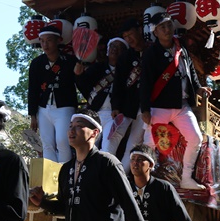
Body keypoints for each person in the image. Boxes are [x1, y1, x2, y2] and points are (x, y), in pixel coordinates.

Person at [139, 12, 212, 189]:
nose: (167, 29)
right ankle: (143, 178)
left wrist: (198, 88)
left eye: (169, 25)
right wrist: (145, 109)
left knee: (195, 138)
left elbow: (191, 72)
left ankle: (186, 178)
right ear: (155, 32)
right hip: (159, 106)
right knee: (149, 143)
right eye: (162, 27)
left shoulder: (181, 48)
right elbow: (145, 82)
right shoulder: (151, 53)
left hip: (182, 105)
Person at [28, 24, 80, 162]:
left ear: (58, 40)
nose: (45, 44)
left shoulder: (70, 61)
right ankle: (50, 174)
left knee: (63, 140)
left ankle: (64, 171)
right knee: (47, 144)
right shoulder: (37, 63)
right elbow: (33, 89)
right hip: (43, 108)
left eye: (49, 40)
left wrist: (80, 74)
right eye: (42, 41)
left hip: (64, 106)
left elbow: (80, 83)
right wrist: (33, 114)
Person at [76, 37, 126, 154]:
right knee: (88, 147)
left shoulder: (126, 71)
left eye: (119, 47)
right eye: (112, 46)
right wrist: (78, 75)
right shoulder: (98, 68)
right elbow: (84, 86)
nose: (115, 49)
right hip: (95, 112)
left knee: (107, 148)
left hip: (113, 115)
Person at [110, 19, 148, 170]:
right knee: (113, 138)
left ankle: (123, 175)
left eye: (130, 34)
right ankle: (104, 171)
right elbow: (118, 83)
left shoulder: (153, 51)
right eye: (125, 36)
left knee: (134, 143)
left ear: (139, 30)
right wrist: (115, 106)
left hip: (146, 107)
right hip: (126, 105)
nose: (128, 39)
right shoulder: (125, 57)